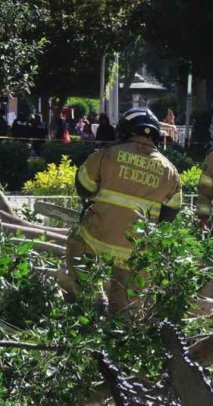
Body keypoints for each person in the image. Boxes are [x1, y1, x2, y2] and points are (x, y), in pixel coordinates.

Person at [63, 107, 182, 316]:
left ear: (126, 130)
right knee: (128, 303)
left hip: (96, 239)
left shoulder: (107, 154)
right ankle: (124, 327)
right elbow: (170, 214)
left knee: (76, 244)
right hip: (136, 251)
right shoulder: (170, 170)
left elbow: (83, 186)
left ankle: (93, 302)